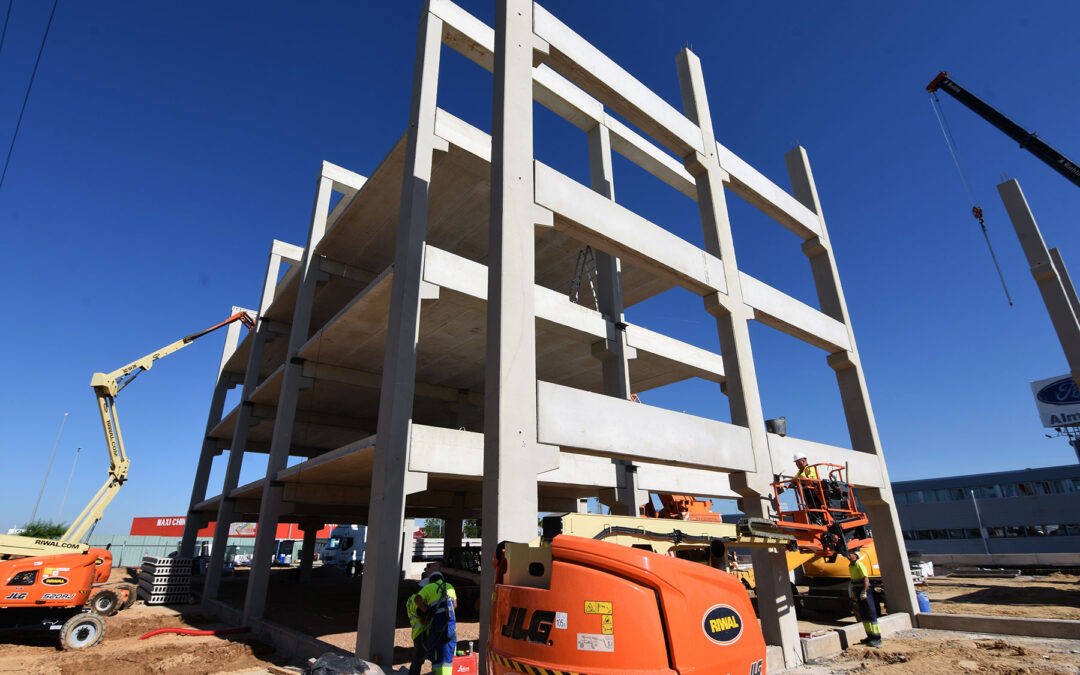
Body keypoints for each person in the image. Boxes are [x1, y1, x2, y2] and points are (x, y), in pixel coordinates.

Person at [415, 571, 457, 675]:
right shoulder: (449, 586)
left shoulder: (429, 587)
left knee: (437, 654)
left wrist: (426, 611)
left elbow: (417, 599)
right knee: (448, 654)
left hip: (437, 626)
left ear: (431, 580)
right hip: (451, 626)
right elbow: (455, 605)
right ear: (441, 579)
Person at [847, 550, 881, 647]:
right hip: (857, 590)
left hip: (864, 590)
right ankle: (869, 636)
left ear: (856, 556)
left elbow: (866, 579)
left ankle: (877, 637)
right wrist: (853, 592)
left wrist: (864, 591)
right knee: (864, 614)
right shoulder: (851, 566)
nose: (848, 556)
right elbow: (853, 581)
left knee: (870, 613)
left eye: (850, 554)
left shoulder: (859, 565)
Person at [405, 590, 427, 675]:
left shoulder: (410, 599)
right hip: (421, 632)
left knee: (416, 659)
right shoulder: (419, 602)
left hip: (415, 632)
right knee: (419, 660)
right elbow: (422, 620)